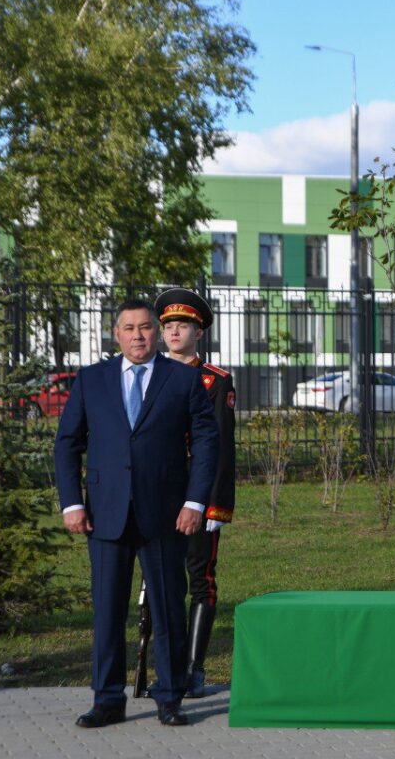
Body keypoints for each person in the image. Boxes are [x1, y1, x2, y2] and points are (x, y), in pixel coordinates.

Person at [55, 298, 219, 728]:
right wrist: (72, 503)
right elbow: (67, 443)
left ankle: (169, 698)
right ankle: (107, 699)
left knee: (168, 610)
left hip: (165, 515)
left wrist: (195, 502)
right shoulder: (92, 380)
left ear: (156, 331)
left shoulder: (182, 380)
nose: (138, 335)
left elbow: (206, 442)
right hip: (105, 515)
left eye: (145, 327)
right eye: (129, 328)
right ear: (117, 334)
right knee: (108, 611)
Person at [154, 288, 237, 698]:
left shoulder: (215, 382)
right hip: (156, 494)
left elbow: (220, 446)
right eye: (168, 325)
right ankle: (166, 667)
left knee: (199, 578)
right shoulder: (148, 374)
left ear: (198, 332)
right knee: (160, 580)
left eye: (182, 325)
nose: (173, 332)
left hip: (198, 495)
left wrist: (214, 503)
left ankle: (194, 668)